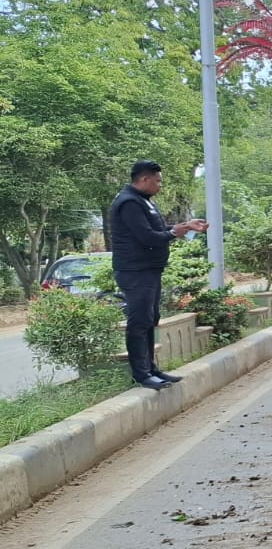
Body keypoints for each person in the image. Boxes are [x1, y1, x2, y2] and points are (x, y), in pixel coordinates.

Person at [108, 161, 208, 390]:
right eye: (158, 180)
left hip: (149, 270)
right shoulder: (129, 203)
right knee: (139, 321)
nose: (160, 185)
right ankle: (141, 374)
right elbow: (147, 237)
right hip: (135, 271)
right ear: (144, 179)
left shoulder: (143, 202)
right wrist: (174, 232)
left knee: (150, 318)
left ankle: (151, 368)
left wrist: (184, 226)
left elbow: (156, 230)